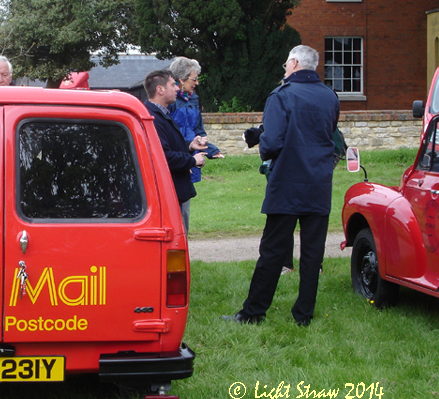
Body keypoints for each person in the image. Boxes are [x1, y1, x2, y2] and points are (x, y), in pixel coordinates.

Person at [222, 45, 340, 327]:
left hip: (287, 182)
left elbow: (272, 143)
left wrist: (260, 141)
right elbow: (330, 134)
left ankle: (253, 312)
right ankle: (304, 315)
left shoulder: (281, 96)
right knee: (313, 253)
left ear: (295, 63)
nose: (284, 69)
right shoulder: (330, 97)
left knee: (273, 251)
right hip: (319, 184)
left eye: (286, 63)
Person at [143, 70, 207, 234]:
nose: (177, 89)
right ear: (160, 89)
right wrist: (193, 160)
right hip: (170, 194)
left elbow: (169, 146)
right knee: (176, 240)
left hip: (177, 191)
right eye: (173, 85)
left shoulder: (162, 113)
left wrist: (190, 146)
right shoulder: (153, 118)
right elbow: (164, 157)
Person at [168, 57, 224, 164]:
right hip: (175, 156)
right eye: (194, 79)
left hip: (193, 156)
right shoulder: (169, 100)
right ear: (182, 79)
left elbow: (198, 130)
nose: (197, 83)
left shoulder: (194, 99)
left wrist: (211, 150)